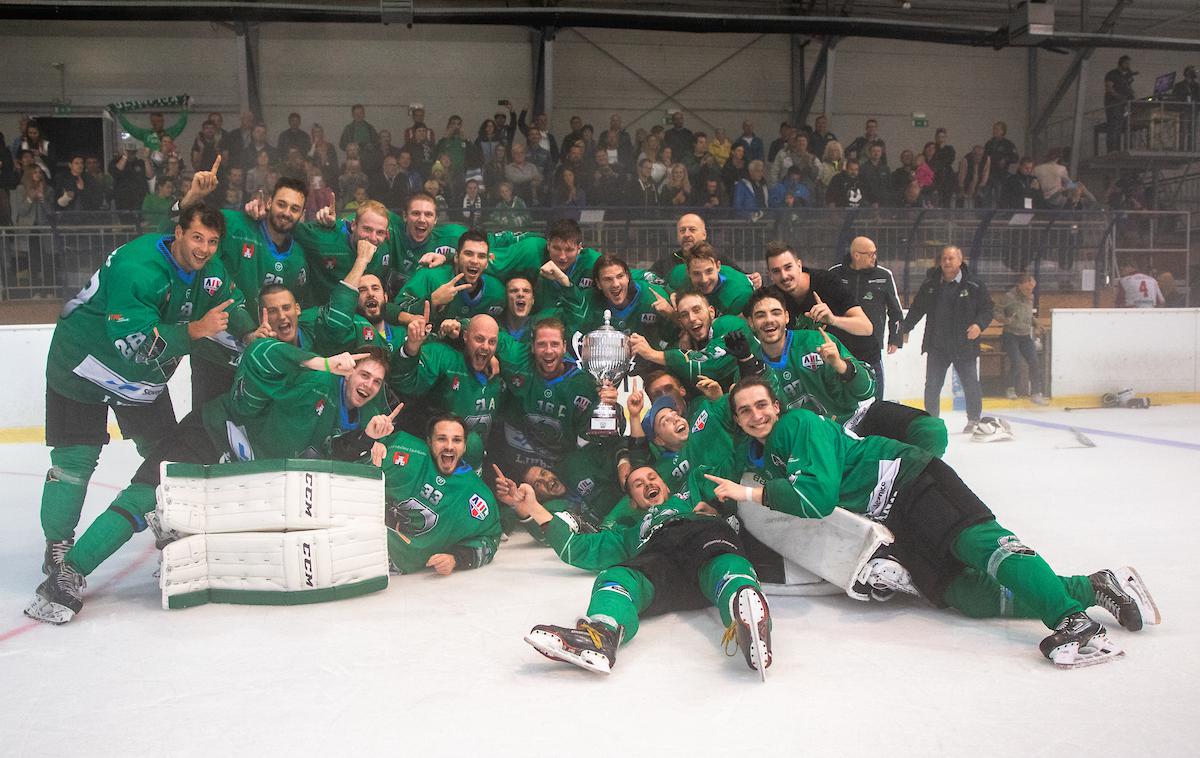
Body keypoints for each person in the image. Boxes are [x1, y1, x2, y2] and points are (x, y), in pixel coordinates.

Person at [706, 378, 1156, 668]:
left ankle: (1072, 620)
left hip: (914, 478)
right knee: (960, 592)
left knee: (985, 547)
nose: (755, 414)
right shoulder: (780, 448)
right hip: (893, 511)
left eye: (761, 404)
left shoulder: (797, 425)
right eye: (745, 411)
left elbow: (817, 498)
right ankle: (1095, 585)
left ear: (777, 406)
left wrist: (748, 493)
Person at [28, 342, 394, 624]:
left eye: (376, 382)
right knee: (144, 499)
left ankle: (168, 533)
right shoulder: (315, 380)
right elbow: (261, 354)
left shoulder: (360, 415)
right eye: (364, 375)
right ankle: (66, 574)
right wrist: (321, 362)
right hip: (208, 434)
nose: (369, 385)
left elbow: (326, 464)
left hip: (241, 474)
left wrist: (365, 439)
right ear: (348, 371)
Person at [34, 198, 256, 581]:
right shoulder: (138, 268)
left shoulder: (209, 266)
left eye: (213, 241)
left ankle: (168, 520)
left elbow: (228, 300)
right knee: (75, 462)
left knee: (163, 457)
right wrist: (195, 330)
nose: (204, 248)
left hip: (140, 380)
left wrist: (250, 333)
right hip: (83, 366)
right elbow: (135, 346)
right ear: (179, 232)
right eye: (197, 238)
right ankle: (58, 545)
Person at [496, 463, 772, 677]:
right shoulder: (629, 535)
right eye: (638, 483)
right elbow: (578, 548)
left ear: (665, 486)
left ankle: (747, 618)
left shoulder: (694, 507)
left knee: (723, 562)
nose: (648, 483)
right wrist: (531, 506)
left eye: (652, 478)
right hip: (661, 564)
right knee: (615, 576)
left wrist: (716, 509)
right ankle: (602, 635)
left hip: (700, 539)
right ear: (632, 502)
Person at [378, 415, 502, 576]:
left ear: (465, 446)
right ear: (429, 442)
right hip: (350, 540)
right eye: (442, 439)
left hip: (393, 569)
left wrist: (457, 559)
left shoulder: (477, 496)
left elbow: (490, 539)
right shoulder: (404, 451)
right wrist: (367, 443)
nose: (449, 446)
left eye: (457, 440)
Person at [897, 245, 993, 433]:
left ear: (960, 260)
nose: (947, 262)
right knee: (932, 385)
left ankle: (973, 419)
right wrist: (905, 329)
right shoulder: (931, 285)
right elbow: (917, 308)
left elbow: (987, 309)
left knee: (970, 383)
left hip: (964, 344)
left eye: (951, 258)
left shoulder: (974, 284)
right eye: (944, 259)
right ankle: (932, 421)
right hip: (937, 346)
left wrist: (978, 325)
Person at [827, 236, 904, 400]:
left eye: (875, 253)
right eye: (870, 254)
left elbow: (895, 311)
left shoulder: (884, 276)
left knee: (875, 394)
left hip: (870, 348)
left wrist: (895, 338)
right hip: (840, 347)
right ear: (856, 255)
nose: (874, 257)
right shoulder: (834, 274)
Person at [395, 228, 505, 324]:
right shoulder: (430, 276)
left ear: (487, 262)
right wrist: (432, 300)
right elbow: (396, 309)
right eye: (468, 254)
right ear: (456, 257)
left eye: (481, 256)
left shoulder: (497, 292)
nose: (474, 261)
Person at [999, 274, 1048, 404]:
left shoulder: (1030, 298)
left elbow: (1028, 316)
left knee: (1034, 362)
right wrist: (1005, 319)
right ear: (1019, 285)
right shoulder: (1009, 297)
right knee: (1016, 362)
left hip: (1025, 335)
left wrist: (1036, 323)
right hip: (1011, 334)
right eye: (1027, 289)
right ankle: (1010, 387)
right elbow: (996, 312)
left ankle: (1036, 393)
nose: (1030, 292)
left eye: (1032, 289)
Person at [1104, 56, 1136, 153]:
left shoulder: (1126, 76)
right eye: (1126, 63)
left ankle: (1119, 149)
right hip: (1114, 103)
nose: (1128, 65)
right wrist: (1120, 97)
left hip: (1124, 104)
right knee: (1114, 125)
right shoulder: (1112, 74)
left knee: (1121, 125)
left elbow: (1129, 88)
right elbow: (1109, 88)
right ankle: (1112, 149)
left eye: (1129, 63)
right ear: (1120, 63)